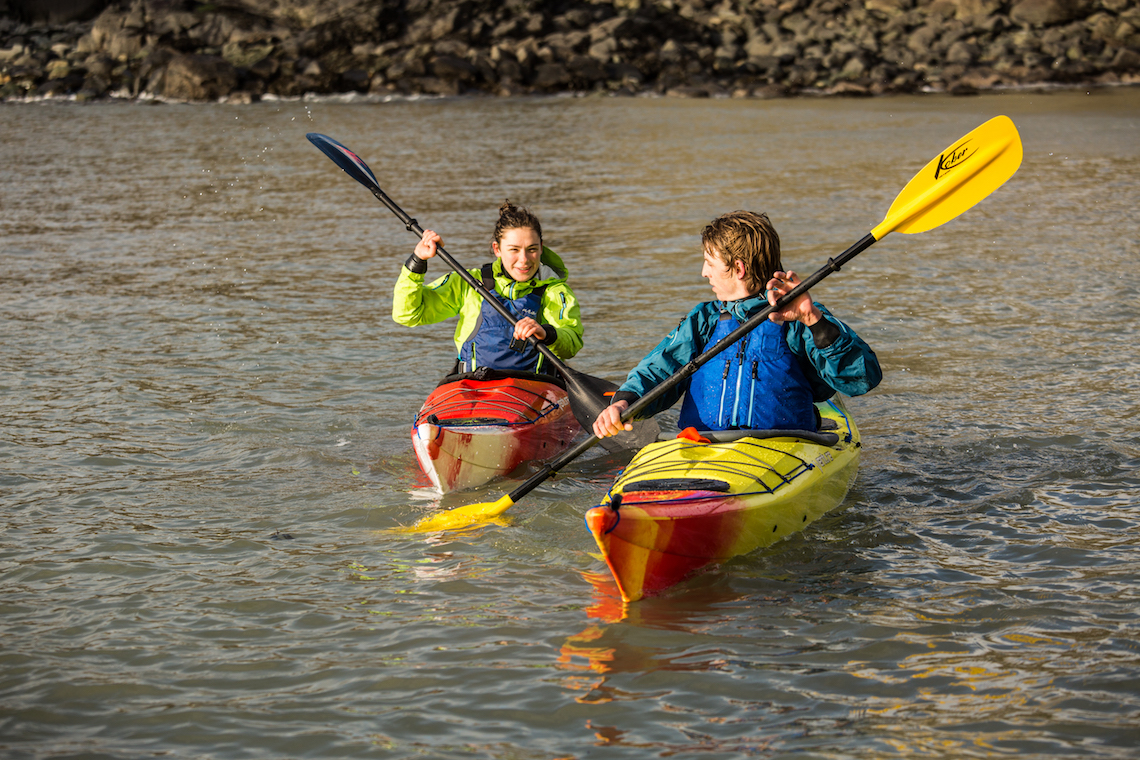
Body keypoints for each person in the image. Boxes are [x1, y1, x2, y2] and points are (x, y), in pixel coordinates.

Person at [593, 210, 881, 438]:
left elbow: (861, 380)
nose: (703, 272)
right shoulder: (703, 320)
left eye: (709, 262)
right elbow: (660, 369)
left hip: (785, 449)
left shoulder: (798, 317)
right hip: (703, 445)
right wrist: (623, 403)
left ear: (738, 268)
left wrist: (813, 320)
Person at [392, 200, 583, 376]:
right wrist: (418, 262)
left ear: (541, 247)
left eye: (532, 249)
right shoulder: (469, 282)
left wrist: (547, 333)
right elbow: (407, 315)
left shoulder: (555, 291)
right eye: (514, 250)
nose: (524, 259)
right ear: (497, 249)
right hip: (472, 387)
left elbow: (571, 343)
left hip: (533, 389)